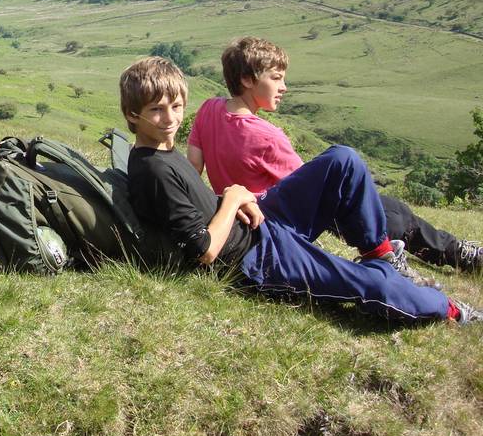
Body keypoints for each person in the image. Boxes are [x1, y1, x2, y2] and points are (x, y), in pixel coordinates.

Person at [120, 55, 481, 325]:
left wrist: (234, 197)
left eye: (177, 106)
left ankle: (381, 252)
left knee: (343, 160)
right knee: (372, 286)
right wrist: (232, 199)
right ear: (132, 114)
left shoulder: (161, 151)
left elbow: (194, 205)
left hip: (260, 225)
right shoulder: (153, 172)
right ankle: (450, 309)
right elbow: (203, 251)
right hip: (254, 260)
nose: (170, 118)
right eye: (156, 110)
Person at [186, 36, 482, 274]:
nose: (284, 87)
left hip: (244, 219)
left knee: (390, 208)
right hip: (274, 223)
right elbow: (322, 190)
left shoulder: (209, 109)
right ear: (248, 80)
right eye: (276, 78)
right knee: (386, 211)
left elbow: (193, 170)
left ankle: (454, 251)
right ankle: (456, 254)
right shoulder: (266, 136)